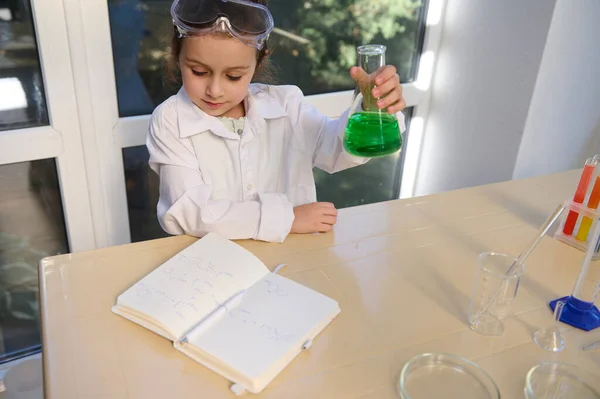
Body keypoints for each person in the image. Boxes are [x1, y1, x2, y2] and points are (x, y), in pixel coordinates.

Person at [147, 0, 406, 243]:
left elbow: (338, 150)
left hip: (292, 258)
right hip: (211, 271)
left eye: (234, 76)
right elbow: (189, 212)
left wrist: (372, 107)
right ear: (177, 55)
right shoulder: (170, 120)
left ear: (259, 61)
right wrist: (287, 219)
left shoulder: (286, 106)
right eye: (199, 72)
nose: (215, 90)